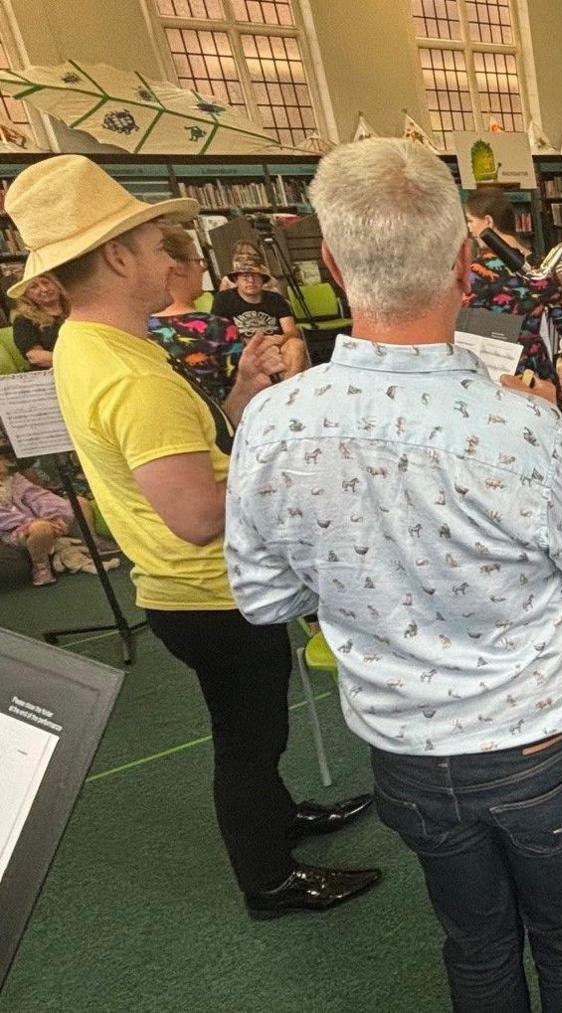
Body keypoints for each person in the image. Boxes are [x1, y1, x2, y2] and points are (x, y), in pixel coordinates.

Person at [225, 138, 562, 1011]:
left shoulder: (270, 421)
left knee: (475, 943)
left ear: (335, 266)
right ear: (465, 264)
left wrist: (363, 574)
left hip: (406, 752)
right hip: (541, 747)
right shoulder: (521, 428)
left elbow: (263, 597)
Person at [13, 153, 376, 917]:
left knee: (256, 728)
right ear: (116, 255)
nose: (168, 256)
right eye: (153, 242)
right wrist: (293, 464)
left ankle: (277, 820)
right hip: (209, 592)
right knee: (247, 738)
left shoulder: (92, 342)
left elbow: (185, 465)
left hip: (189, 588)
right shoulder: (132, 373)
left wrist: (241, 398)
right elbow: (199, 514)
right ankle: (270, 881)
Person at [463, 187, 562, 384]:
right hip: (537, 370)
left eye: (470, 221)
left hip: (495, 368)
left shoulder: (476, 270)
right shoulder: (542, 266)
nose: (469, 228)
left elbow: (463, 326)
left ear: (488, 222)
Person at [149, 222, 252, 403]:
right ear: (178, 266)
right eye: (198, 261)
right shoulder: (216, 328)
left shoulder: (139, 330)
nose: (203, 269)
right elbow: (248, 399)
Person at [0, 453, 75, 586]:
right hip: (12, 531)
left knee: (79, 504)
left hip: (39, 519)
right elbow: (4, 517)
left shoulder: (15, 479)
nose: (3, 462)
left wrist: (54, 515)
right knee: (40, 528)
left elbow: (38, 496)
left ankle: (92, 544)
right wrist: (32, 521)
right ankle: (41, 566)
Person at [211, 248, 304, 353]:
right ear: (236, 280)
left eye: (256, 276)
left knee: (296, 345)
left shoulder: (276, 298)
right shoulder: (223, 299)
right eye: (245, 276)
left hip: (277, 346)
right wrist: (251, 344)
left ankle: (292, 370)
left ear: (263, 280)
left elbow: (291, 331)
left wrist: (276, 341)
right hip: (243, 351)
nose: (251, 281)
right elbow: (219, 333)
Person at [12, 273, 68, 368]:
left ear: (57, 285)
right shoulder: (23, 320)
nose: (44, 289)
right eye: (33, 287)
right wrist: (75, 361)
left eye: (46, 282)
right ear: (26, 295)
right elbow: (35, 356)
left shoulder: (78, 310)